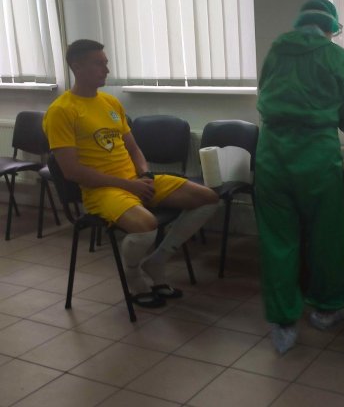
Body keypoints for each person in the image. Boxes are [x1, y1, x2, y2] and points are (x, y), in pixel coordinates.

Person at [43, 39, 219, 308]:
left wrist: (144, 175)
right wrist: (129, 186)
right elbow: (72, 171)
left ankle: (157, 261)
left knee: (208, 198)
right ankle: (134, 276)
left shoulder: (110, 102)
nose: (106, 70)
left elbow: (134, 148)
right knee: (146, 225)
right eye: (99, 64)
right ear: (77, 67)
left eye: (106, 63)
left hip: (135, 182)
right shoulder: (61, 111)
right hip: (102, 191)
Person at [255, 0, 344, 353]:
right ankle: (327, 308)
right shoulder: (336, 57)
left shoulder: (275, 51)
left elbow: (263, 92)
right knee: (326, 234)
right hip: (316, 157)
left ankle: (282, 322)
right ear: (331, 27)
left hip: (271, 156)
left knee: (277, 239)